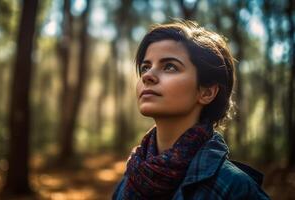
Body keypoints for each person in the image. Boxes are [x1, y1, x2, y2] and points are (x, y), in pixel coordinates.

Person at [112, 20, 270, 200]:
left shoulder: (235, 189)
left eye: (170, 66)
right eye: (146, 67)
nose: (148, 76)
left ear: (207, 92)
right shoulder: (131, 178)